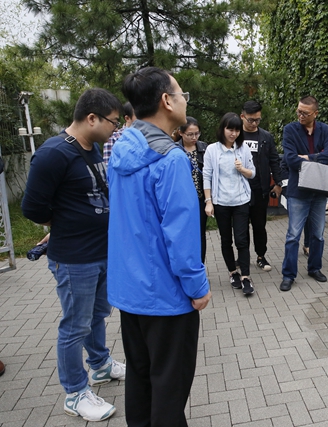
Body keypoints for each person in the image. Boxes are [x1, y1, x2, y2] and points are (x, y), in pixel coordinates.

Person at [107, 67, 211, 427]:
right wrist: (197, 287)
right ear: (167, 101)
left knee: (140, 376)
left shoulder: (121, 149)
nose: (185, 101)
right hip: (166, 297)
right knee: (169, 387)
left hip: (130, 292)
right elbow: (181, 236)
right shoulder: (171, 158)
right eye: (181, 94)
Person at [21, 88, 125, 421]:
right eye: (113, 122)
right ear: (92, 118)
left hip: (100, 252)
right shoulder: (53, 153)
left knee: (96, 316)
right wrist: (61, 223)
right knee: (75, 326)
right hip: (74, 258)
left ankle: (100, 364)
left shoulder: (90, 149)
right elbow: (32, 207)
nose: (115, 129)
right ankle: (75, 393)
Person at [280, 95, 328, 292]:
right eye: (299, 111)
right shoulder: (290, 130)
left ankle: (314, 268)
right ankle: (288, 275)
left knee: (318, 235)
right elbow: (290, 159)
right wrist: (317, 158)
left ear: (315, 113)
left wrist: (307, 157)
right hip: (298, 191)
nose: (300, 115)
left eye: (305, 113)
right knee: (293, 235)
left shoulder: (325, 130)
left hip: (320, 190)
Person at [203, 113, 256, 295]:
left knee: (242, 239)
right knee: (226, 239)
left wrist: (243, 169)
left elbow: (252, 173)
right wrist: (209, 202)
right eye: (230, 129)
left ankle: (246, 277)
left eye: (236, 130)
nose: (233, 134)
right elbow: (207, 176)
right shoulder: (212, 150)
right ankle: (233, 272)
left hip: (241, 200)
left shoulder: (243, 148)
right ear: (223, 129)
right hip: (221, 202)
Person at [241, 100, 283, 271]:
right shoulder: (235, 136)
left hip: (260, 189)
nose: (254, 123)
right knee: (241, 227)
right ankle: (242, 258)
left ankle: (261, 256)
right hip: (239, 190)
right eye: (250, 120)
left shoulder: (266, 137)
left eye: (257, 120)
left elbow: (274, 160)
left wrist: (278, 183)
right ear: (242, 116)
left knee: (259, 226)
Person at [177, 116, 208, 262]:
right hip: (181, 200)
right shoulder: (174, 150)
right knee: (183, 233)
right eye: (190, 134)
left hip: (200, 198)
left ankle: (200, 264)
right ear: (181, 133)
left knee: (200, 233)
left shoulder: (204, 148)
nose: (194, 137)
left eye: (197, 134)